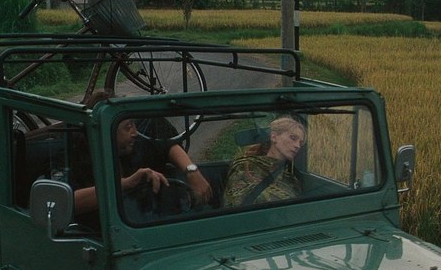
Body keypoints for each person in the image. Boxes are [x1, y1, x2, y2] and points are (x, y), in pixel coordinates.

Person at [71, 91, 212, 220]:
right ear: (106, 131)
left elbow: (167, 143)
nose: (135, 132)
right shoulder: (76, 153)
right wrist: (126, 184)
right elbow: (69, 203)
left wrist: (192, 171)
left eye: (133, 124)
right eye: (127, 128)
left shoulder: (137, 141)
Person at [223, 117, 306, 207]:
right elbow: (238, 202)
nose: (297, 146)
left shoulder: (292, 177)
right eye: (293, 138)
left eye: (300, 143)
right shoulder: (246, 166)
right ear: (274, 137)